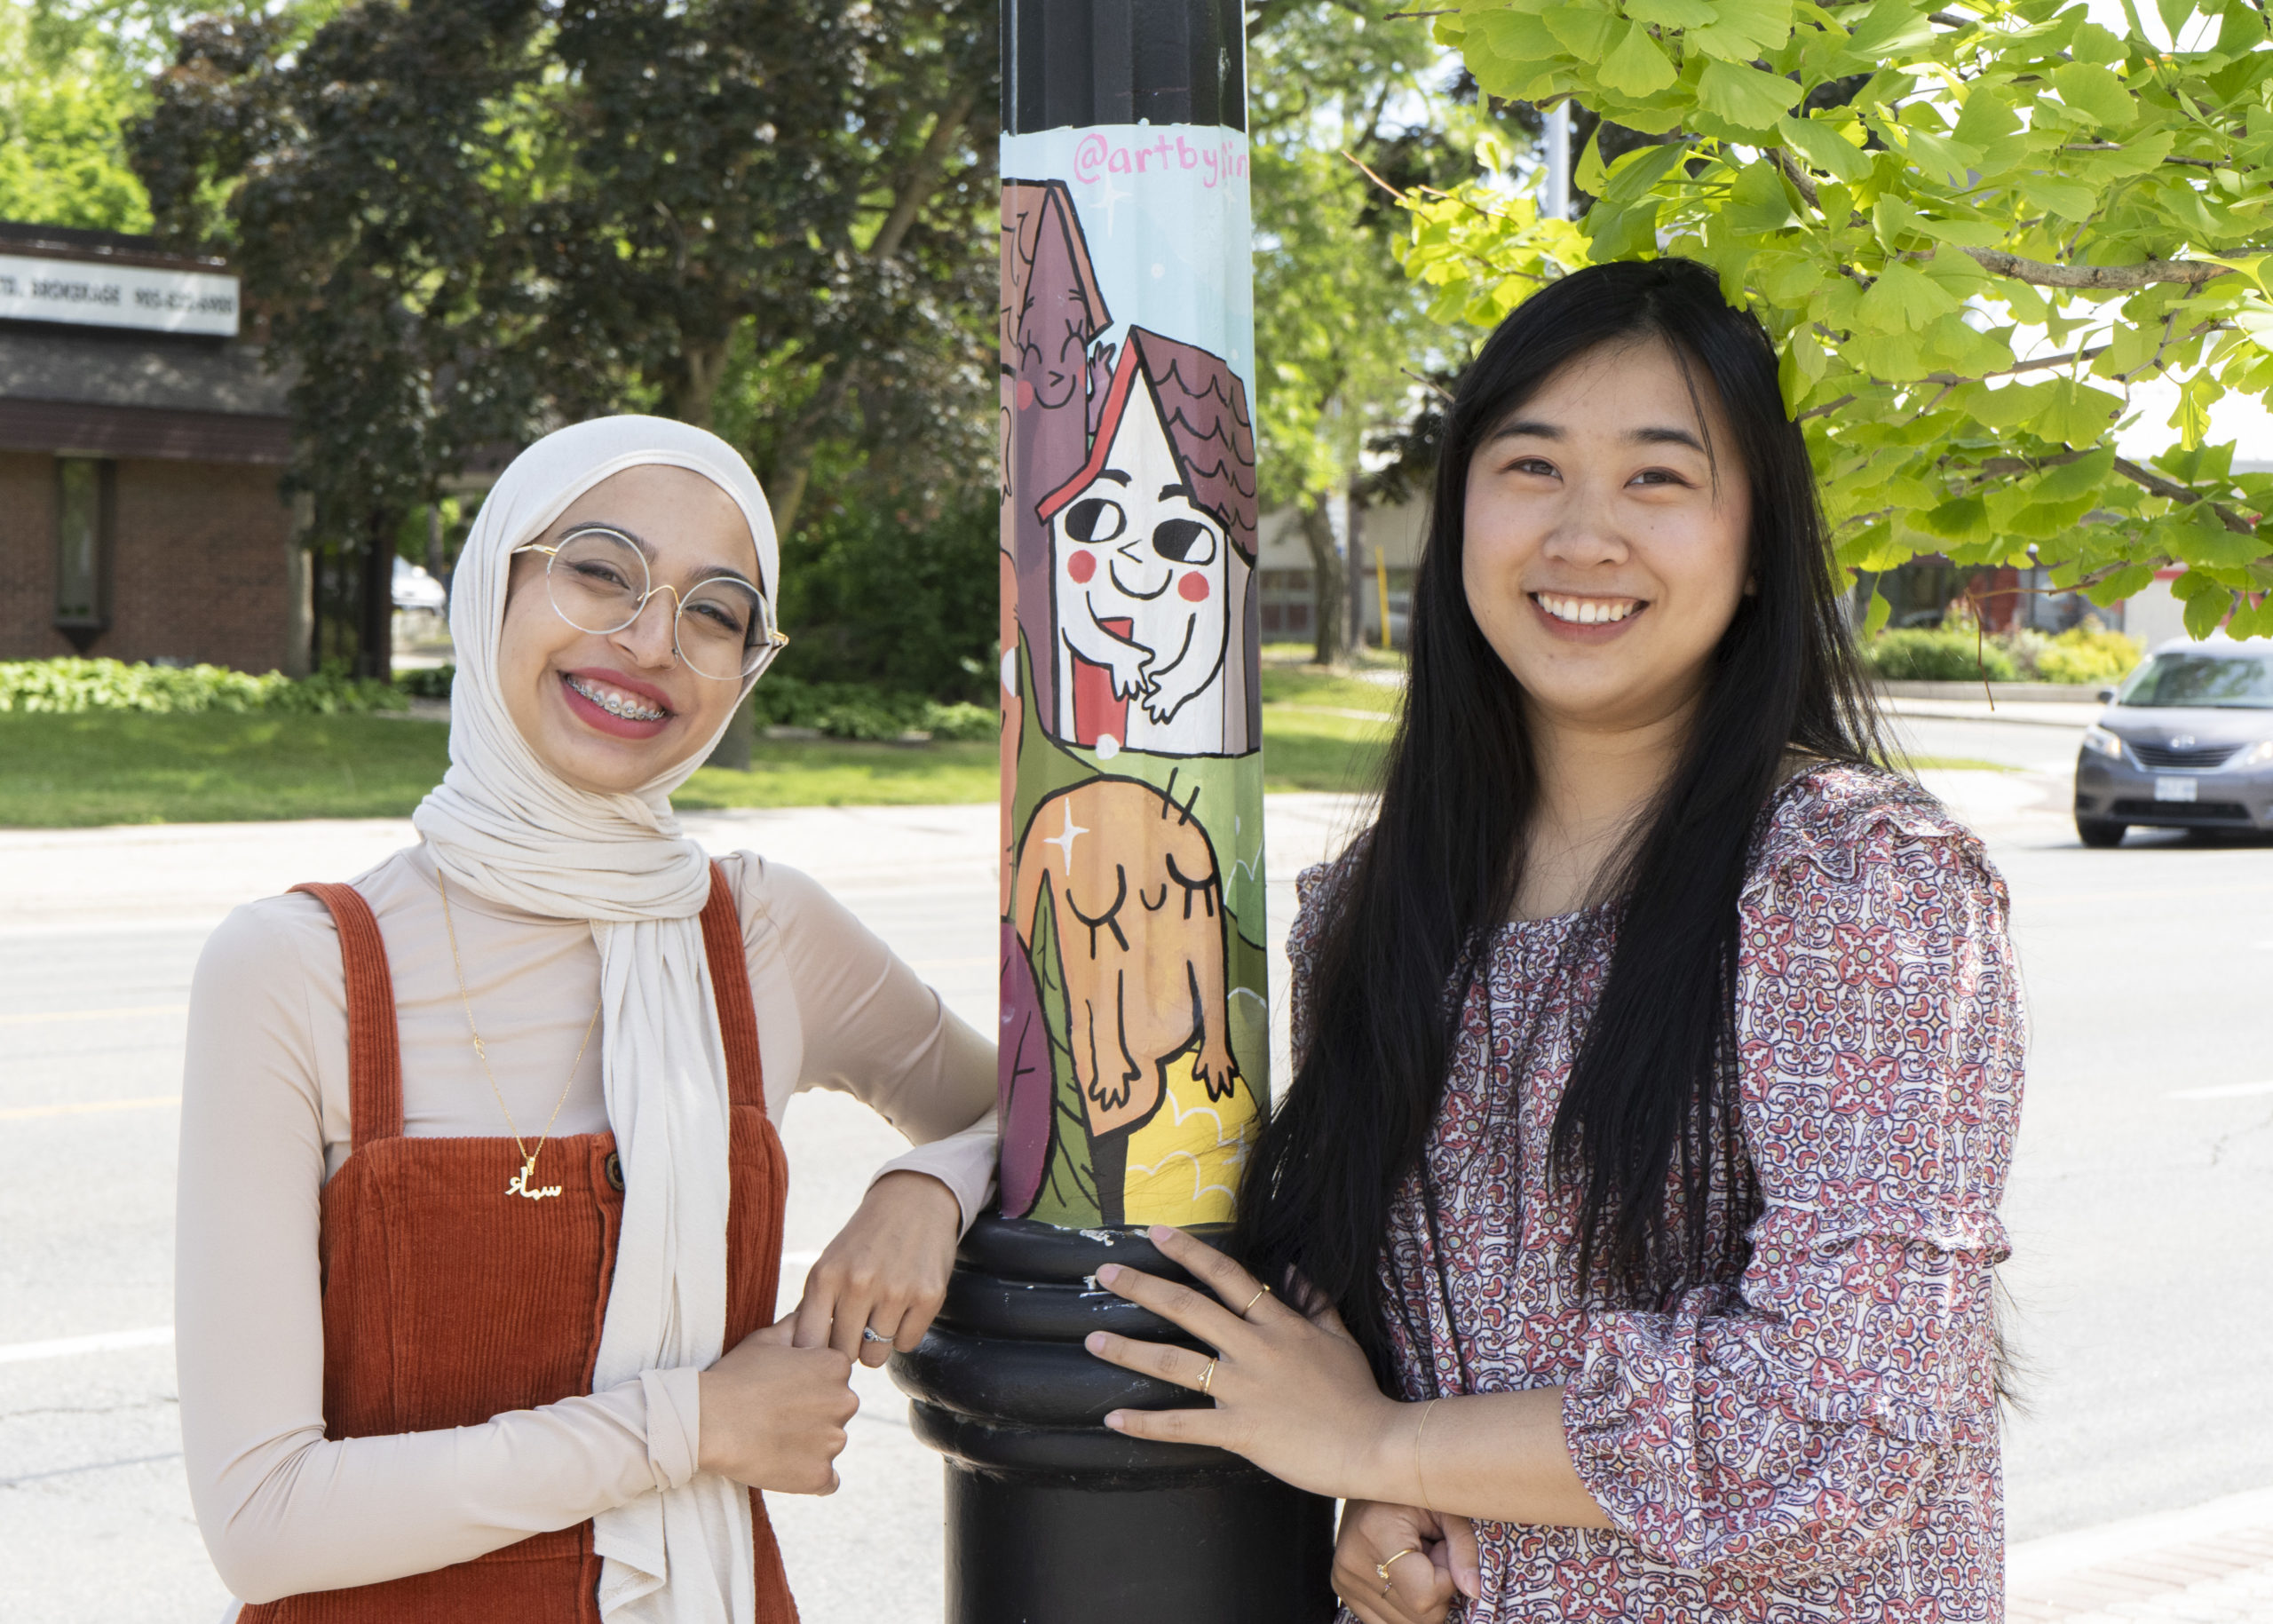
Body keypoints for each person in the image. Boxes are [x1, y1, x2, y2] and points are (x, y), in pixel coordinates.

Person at [1079, 258, 2023, 1622]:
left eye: (1658, 478)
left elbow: (1850, 1418)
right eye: (1531, 466)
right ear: (1459, 510)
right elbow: (1368, 1335)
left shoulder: (1853, 881)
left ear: (1757, 542)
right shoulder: (1370, 913)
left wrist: (1382, 1446)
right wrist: (1381, 1515)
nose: (1584, 535)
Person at [176, 416, 996, 1621]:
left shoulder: (763, 932)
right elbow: (262, 1521)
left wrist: (931, 1185)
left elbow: (1059, 1114)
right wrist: (693, 1423)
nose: (651, 640)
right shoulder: (295, 968)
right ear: (495, 577)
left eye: (716, 611)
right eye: (601, 569)